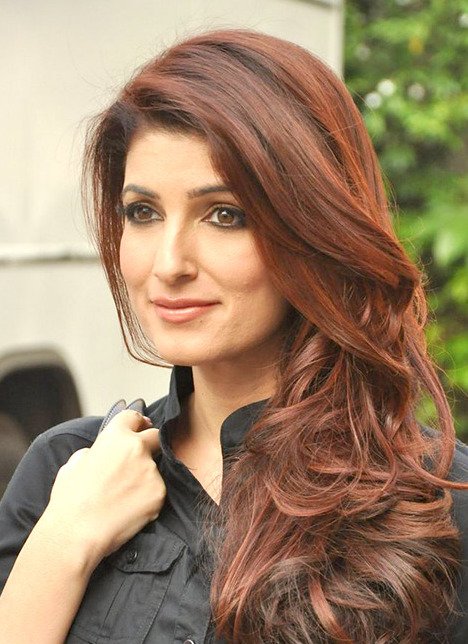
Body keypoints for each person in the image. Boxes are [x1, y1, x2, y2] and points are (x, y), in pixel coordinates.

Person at [0, 28, 467, 644]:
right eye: (143, 212)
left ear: (315, 229)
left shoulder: (435, 502)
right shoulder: (65, 471)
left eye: (225, 215)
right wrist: (66, 542)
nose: (169, 264)